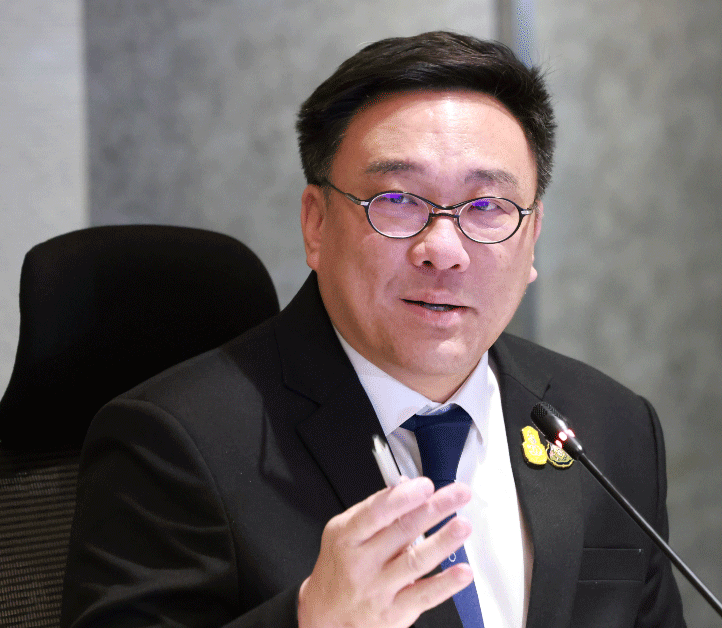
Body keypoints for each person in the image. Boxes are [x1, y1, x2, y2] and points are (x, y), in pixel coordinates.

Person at [61, 31, 686, 628]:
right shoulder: (174, 443)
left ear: (533, 235)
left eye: (487, 207)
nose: (444, 250)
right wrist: (311, 622)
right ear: (316, 223)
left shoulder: (609, 428)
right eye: (398, 200)